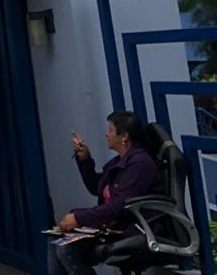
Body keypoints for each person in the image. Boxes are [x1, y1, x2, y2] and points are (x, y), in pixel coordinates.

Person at [48, 111, 158, 275]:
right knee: (56, 239)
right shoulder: (118, 162)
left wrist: (79, 218)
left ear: (124, 136)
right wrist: (85, 159)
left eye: (111, 130)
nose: (107, 134)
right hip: (110, 225)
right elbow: (96, 186)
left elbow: (119, 206)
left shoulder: (139, 163)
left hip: (128, 228)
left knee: (67, 248)